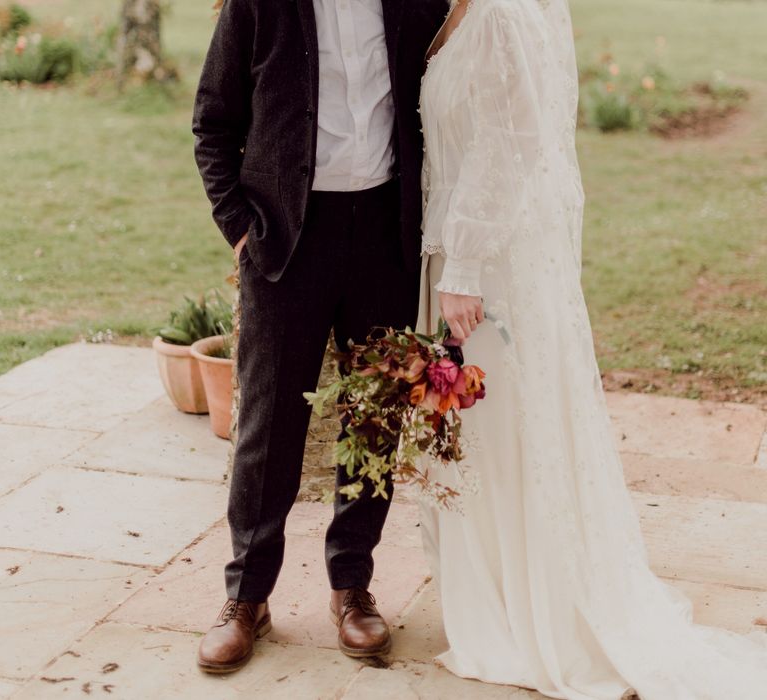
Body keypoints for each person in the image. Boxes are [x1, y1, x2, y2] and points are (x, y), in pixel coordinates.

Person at [416, 0, 767, 697]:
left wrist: (463, 265)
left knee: (501, 425)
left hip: (486, 268)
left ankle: (539, 606)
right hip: (466, 249)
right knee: (480, 432)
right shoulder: (464, 8)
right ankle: (503, 591)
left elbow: (511, 142)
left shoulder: (505, 14)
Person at [191, 0, 448, 673]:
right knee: (268, 422)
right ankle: (246, 596)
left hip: (387, 237)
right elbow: (212, 122)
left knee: (373, 419)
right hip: (287, 241)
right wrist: (242, 229)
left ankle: (351, 585)